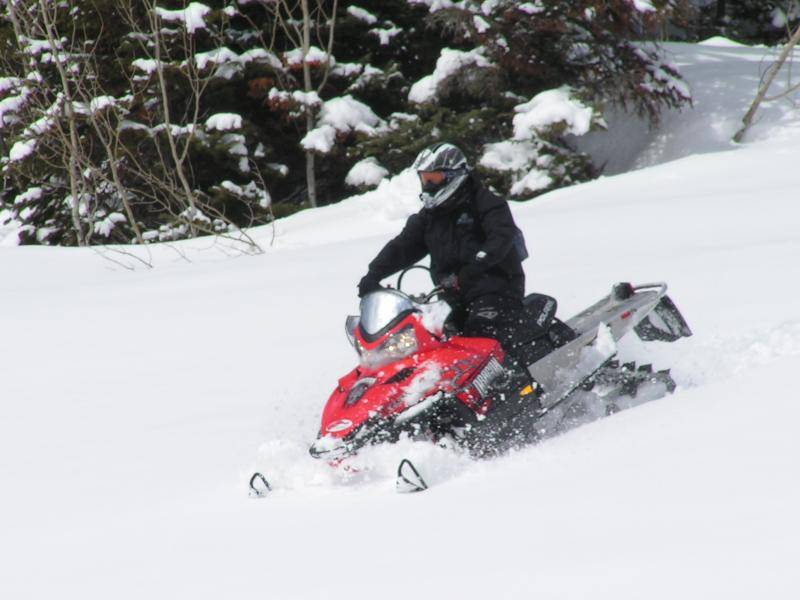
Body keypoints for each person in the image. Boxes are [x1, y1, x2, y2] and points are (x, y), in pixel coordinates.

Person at [357, 142, 529, 359]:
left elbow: (501, 236)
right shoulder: (429, 217)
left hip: (496, 289)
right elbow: (402, 246)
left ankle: (516, 386)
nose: (428, 185)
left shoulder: (486, 203)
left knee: (480, 336)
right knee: (427, 339)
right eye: (424, 179)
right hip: (453, 295)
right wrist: (373, 275)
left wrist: (478, 265)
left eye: (434, 179)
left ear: (454, 175)